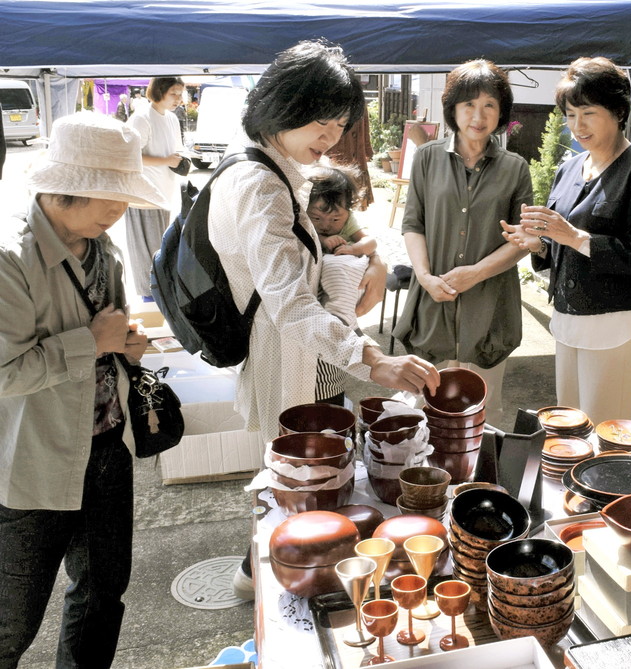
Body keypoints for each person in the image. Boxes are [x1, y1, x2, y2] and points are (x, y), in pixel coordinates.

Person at [205, 40, 440, 598]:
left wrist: (367, 266)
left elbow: (304, 275)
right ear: (282, 106)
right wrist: (373, 359)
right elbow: (288, 301)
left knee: (307, 479)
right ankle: (276, 581)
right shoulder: (261, 185)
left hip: (306, 354)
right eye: (321, 121)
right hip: (287, 357)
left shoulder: (273, 169)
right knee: (301, 483)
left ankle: (272, 572)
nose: (331, 137)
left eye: (339, 124)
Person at [0, 111, 166, 668]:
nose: (121, 210)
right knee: (11, 621)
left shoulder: (105, 250)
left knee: (101, 597)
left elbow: (107, 335)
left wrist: (124, 344)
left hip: (106, 449)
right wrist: (92, 342)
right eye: (110, 196)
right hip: (33, 463)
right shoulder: (9, 258)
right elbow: (5, 372)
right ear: (69, 188)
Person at [502, 57, 631, 426]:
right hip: (566, 315)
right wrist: (539, 244)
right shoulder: (569, 167)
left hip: (612, 321)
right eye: (570, 115)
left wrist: (572, 235)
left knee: (607, 429)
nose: (578, 126)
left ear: (619, 111)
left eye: (588, 113)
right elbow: (561, 240)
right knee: (568, 425)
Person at [394, 59, 533, 427]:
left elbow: (523, 239)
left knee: (484, 413)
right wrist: (423, 276)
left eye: (489, 105)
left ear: (501, 112)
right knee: (427, 411)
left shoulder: (515, 168)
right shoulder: (426, 158)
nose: (478, 115)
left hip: (489, 307)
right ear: (453, 108)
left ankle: (477, 484)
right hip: (433, 301)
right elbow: (413, 223)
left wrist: (476, 273)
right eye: (468, 104)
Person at [123, 76, 185, 300]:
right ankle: (148, 297)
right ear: (159, 92)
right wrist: (166, 160)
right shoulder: (142, 117)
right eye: (173, 94)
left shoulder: (171, 118)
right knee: (145, 252)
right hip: (142, 195)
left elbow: (174, 151)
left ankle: (159, 295)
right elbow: (129, 155)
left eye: (180, 94)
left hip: (163, 194)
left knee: (160, 249)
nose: (178, 99)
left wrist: (178, 160)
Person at [307, 162, 377, 330]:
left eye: (335, 219)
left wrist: (354, 249)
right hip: (317, 285)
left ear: (348, 211)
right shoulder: (305, 223)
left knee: (336, 267)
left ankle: (341, 321)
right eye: (316, 218)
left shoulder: (349, 222)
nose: (326, 224)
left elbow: (371, 242)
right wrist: (322, 240)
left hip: (346, 278)